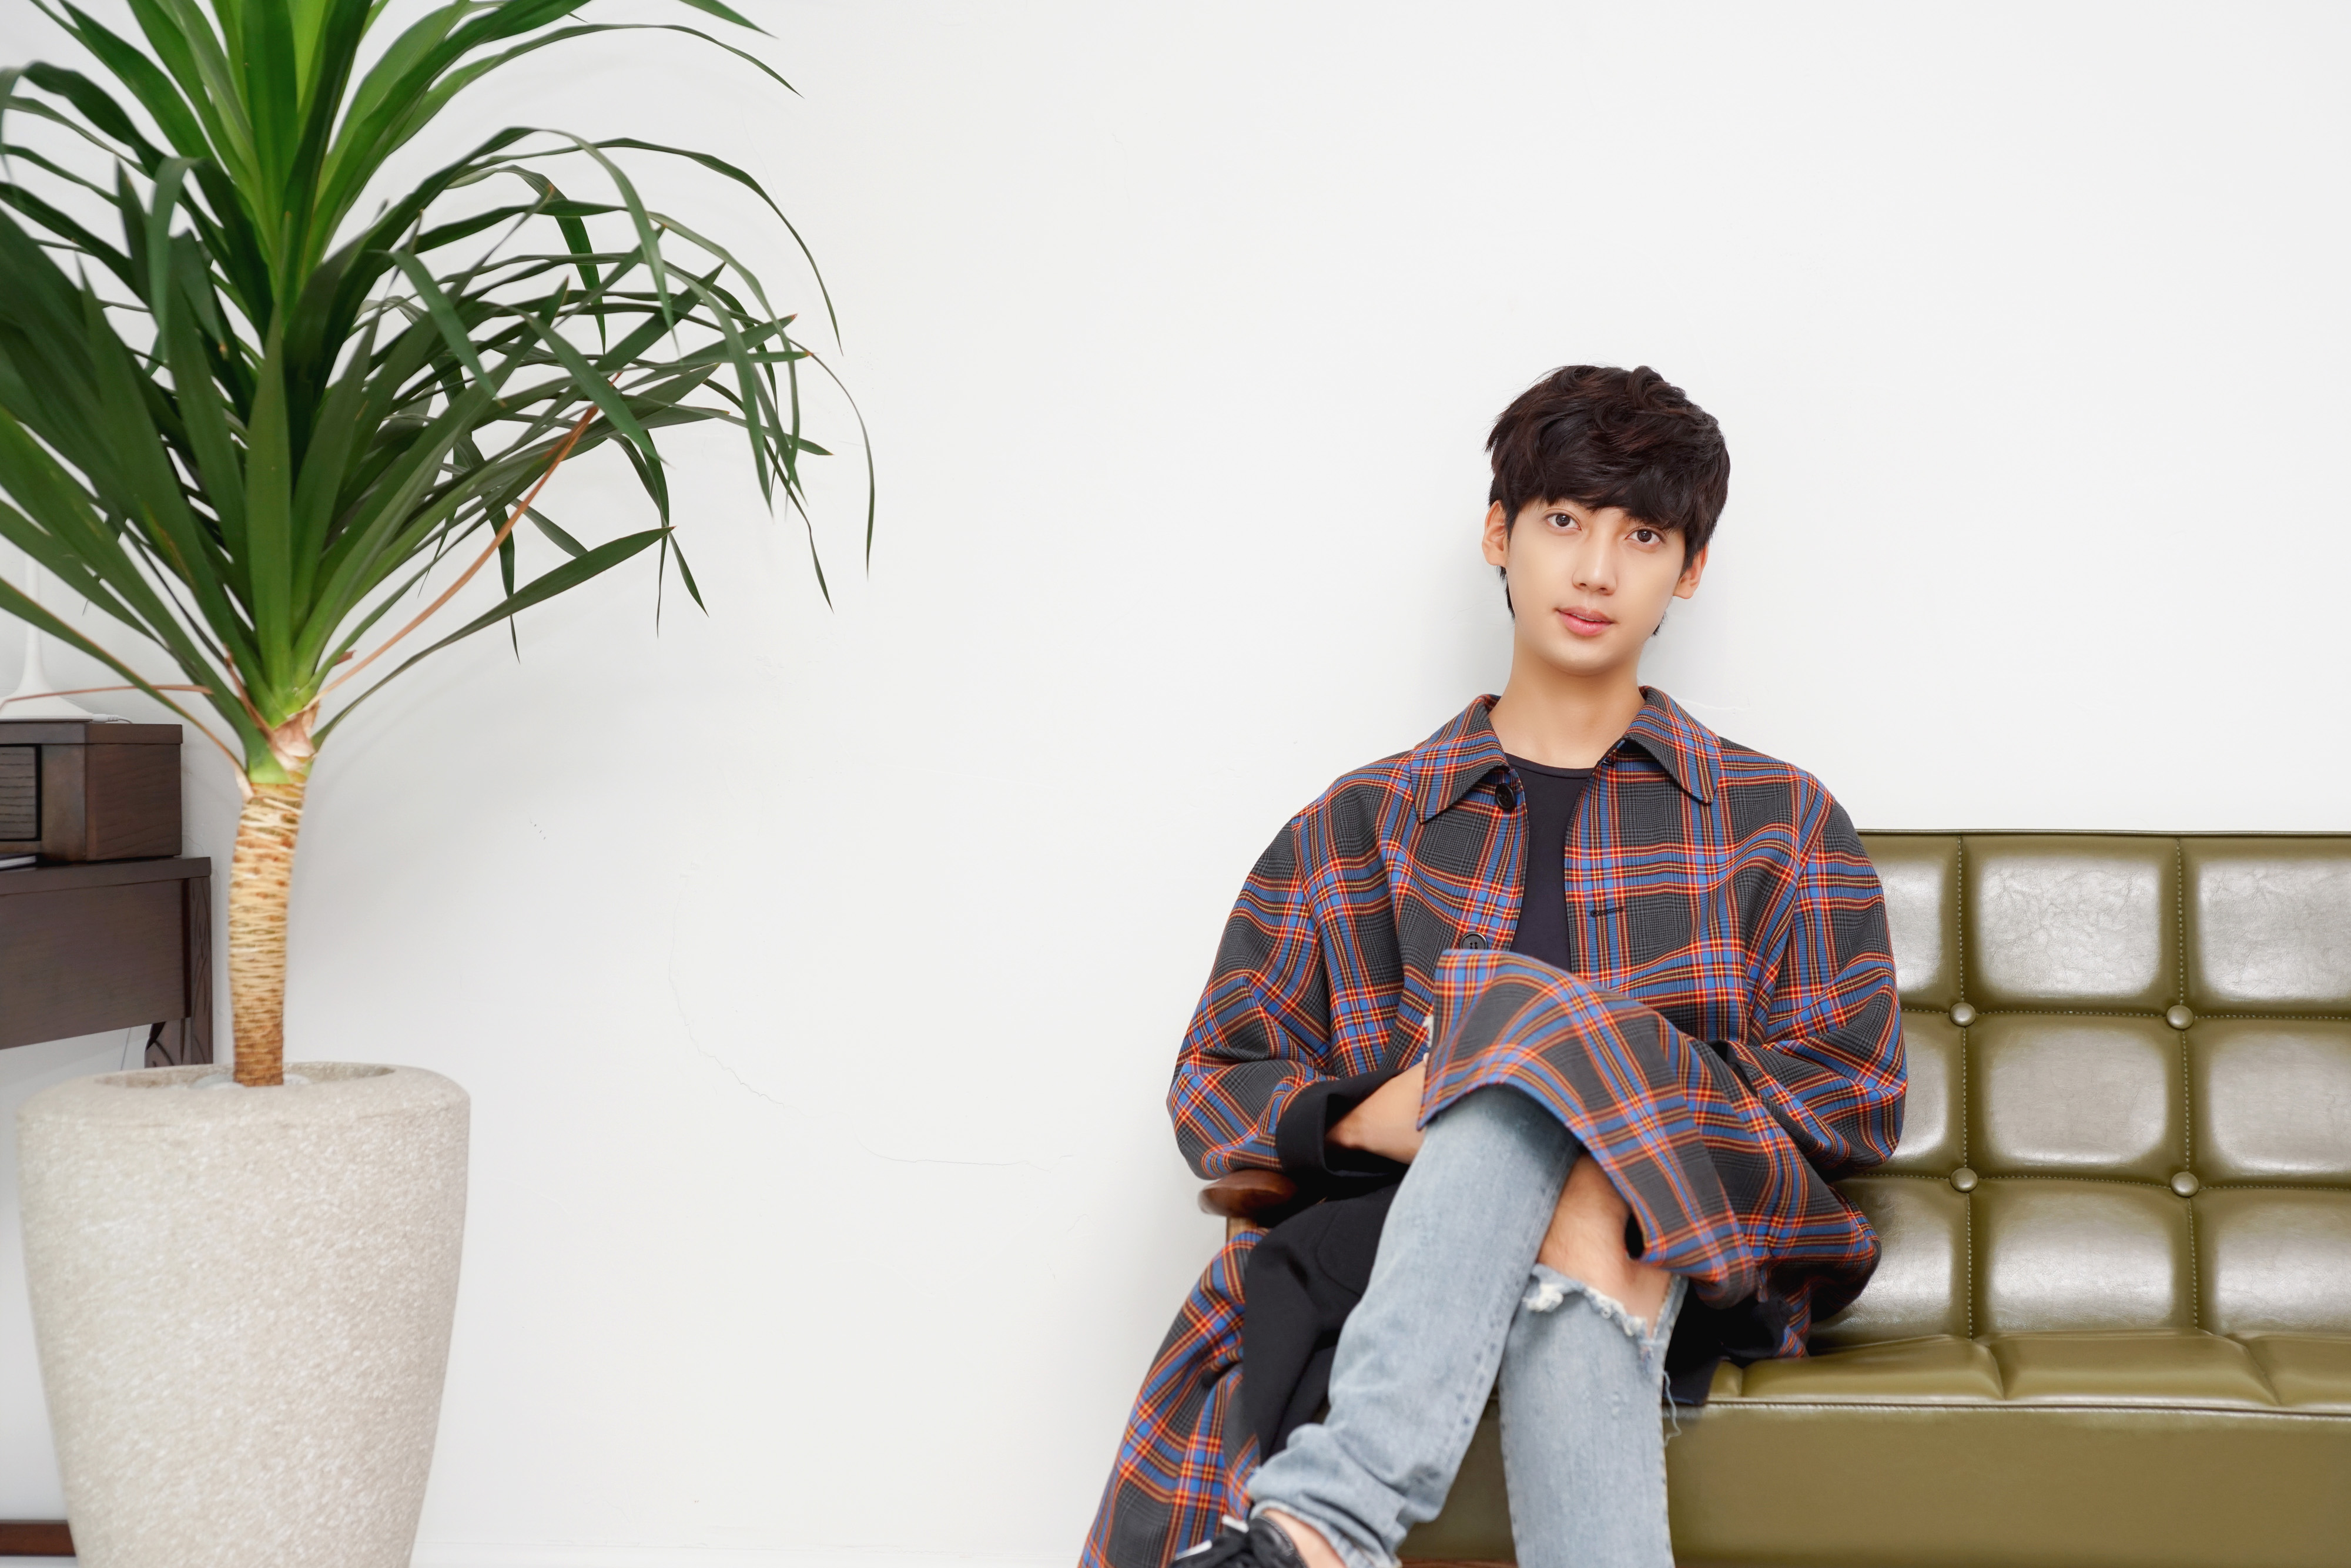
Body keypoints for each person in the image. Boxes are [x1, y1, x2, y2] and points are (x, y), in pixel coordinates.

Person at [1081, 366, 1905, 1568]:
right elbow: (1215, 1082)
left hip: (1684, 1245)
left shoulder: (1778, 821)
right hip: (1396, 1246)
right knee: (1539, 1137)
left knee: (1519, 1040)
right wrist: (1369, 1117)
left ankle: (1326, 1521)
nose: (1595, 569)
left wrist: (1601, 1113)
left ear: (1688, 570)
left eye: (1641, 535)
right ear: (1498, 536)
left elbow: (1851, 1089)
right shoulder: (1360, 823)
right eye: (1563, 520)